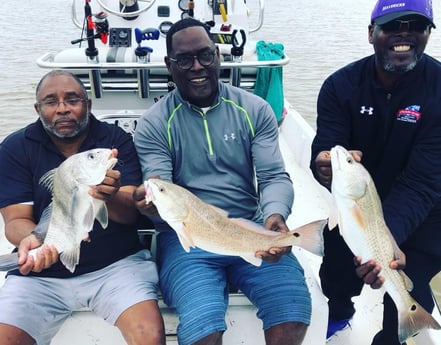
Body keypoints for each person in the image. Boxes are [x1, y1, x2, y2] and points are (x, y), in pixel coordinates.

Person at [133, 18, 310, 345]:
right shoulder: (154, 124)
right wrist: (149, 205)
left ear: (218, 55)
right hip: (186, 236)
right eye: (184, 60)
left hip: (248, 224)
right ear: (168, 65)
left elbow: (273, 176)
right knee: (204, 328)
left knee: (292, 313)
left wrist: (274, 217)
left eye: (205, 55)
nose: (197, 66)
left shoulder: (254, 109)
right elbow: (158, 185)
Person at [0, 70, 165, 345]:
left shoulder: (115, 140)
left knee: (150, 335)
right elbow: (16, 219)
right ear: (38, 109)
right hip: (42, 276)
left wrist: (108, 195)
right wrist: (34, 242)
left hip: (115, 265)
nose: (62, 108)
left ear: (88, 105)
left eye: (72, 99)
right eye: (51, 102)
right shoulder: (15, 148)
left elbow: (130, 213)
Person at [310, 0, 441, 344]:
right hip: (359, 202)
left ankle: (392, 336)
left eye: (416, 26)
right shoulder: (340, 87)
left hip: (425, 208)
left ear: (427, 34)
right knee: (336, 271)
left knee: (411, 280)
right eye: (393, 25)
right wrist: (322, 166)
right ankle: (340, 310)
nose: (404, 34)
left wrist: (384, 244)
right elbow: (326, 148)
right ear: (371, 33)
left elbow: (424, 182)